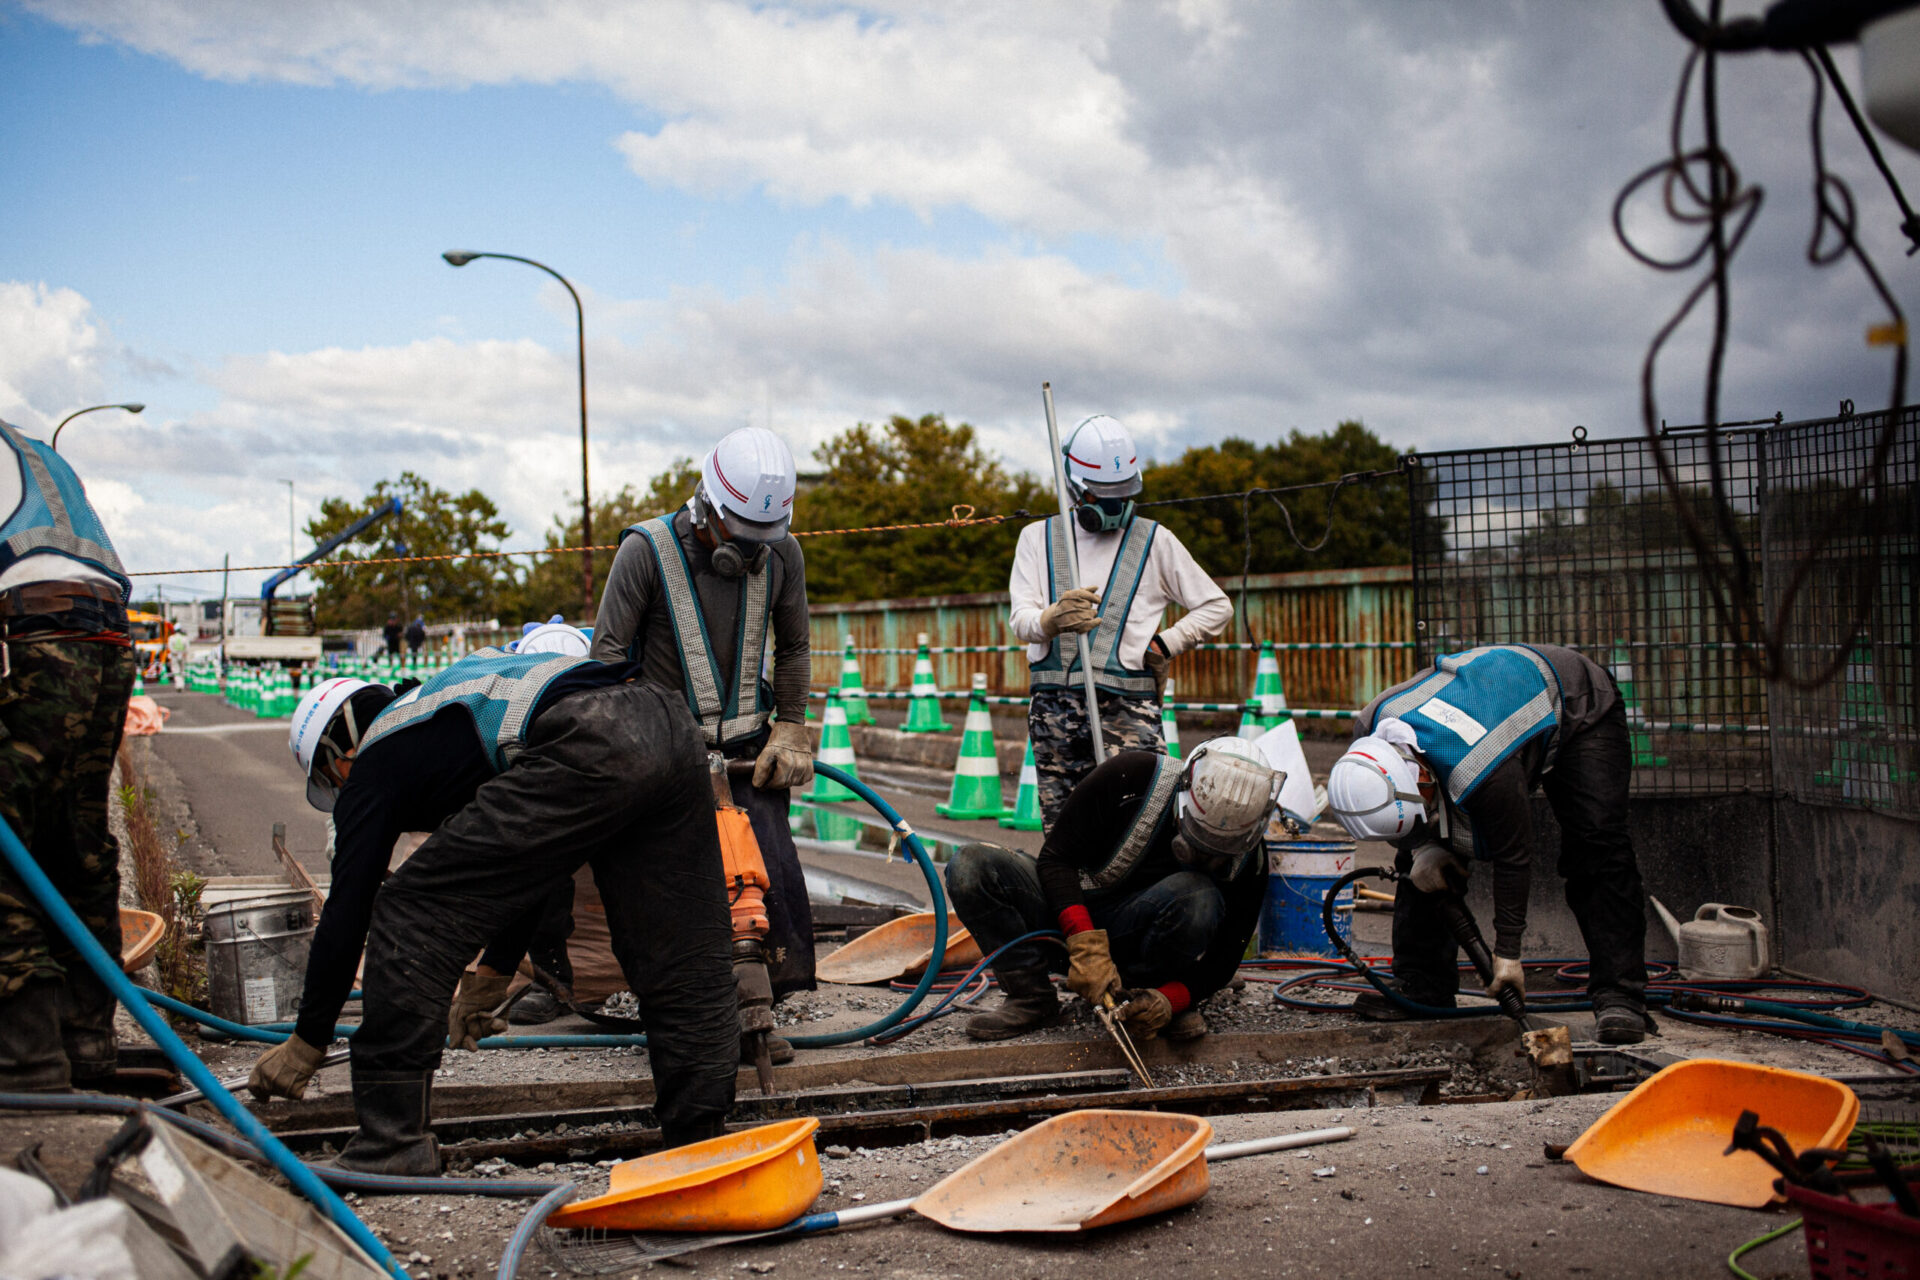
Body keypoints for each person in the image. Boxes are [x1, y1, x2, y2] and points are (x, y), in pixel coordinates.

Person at [246, 626, 738, 1172]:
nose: (339, 788)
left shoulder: (378, 754)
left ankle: (391, 1143)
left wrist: (309, 1039)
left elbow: (349, 910)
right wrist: (492, 977)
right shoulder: (440, 711)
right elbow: (530, 862)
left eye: (329, 774)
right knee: (681, 953)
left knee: (407, 912)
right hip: (665, 721)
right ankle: (701, 1145)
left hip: (588, 734)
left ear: (341, 746)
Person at [590, 426, 816, 1011]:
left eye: (762, 540)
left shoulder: (783, 555)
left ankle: (767, 1001)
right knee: (677, 892)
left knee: (768, 885)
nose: (750, 553)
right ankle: (688, 1010)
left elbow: (793, 646)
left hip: (747, 752)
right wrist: (632, 747)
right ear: (705, 507)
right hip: (666, 753)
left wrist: (791, 725)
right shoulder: (646, 551)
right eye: (740, 537)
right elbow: (607, 658)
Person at [1326, 643, 1653, 1045]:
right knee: (1419, 862)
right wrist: (1421, 848)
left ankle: (1621, 996)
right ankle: (1424, 985)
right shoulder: (1369, 734)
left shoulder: (1483, 768)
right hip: (1484, 703)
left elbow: (1513, 858)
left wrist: (1507, 955)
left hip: (1576, 700)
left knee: (1596, 845)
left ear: (1422, 779)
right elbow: (1412, 822)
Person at [945, 737, 1280, 1043]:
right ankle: (1030, 997)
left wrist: (1172, 998)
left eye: (1216, 850)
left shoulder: (1250, 860)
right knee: (971, 867)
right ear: (1185, 790)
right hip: (1067, 925)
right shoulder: (1132, 777)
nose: (1202, 855)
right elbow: (1056, 860)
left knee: (1198, 897)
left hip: (1143, 947)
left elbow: (1223, 961)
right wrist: (1085, 945)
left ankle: (1143, 999)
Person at [1007, 415, 1233, 829]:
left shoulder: (1155, 540)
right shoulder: (1037, 538)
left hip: (1129, 712)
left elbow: (1216, 606)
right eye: (1102, 495)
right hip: (1054, 714)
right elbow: (1021, 620)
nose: (1115, 506)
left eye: (1122, 495)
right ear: (1074, 487)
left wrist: (1165, 644)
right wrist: (1050, 619)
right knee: (1066, 834)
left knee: (1143, 828)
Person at [0, 418, 137, 1091]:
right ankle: (85, 1044)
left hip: (33, 629)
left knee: (7, 845)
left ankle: (24, 1060)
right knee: (75, 844)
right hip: (106, 636)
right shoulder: (30, 449)